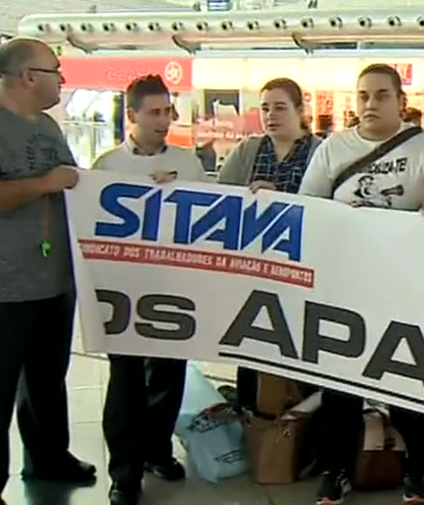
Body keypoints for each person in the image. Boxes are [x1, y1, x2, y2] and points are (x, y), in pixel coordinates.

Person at [299, 63, 424, 505]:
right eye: (364, 95)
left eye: (381, 96)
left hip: (405, 288)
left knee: (407, 381)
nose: (371, 104)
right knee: (340, 384)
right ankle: (337, 469)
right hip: (346, 285)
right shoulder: (334, 148)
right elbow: (309, 209)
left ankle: (416, 470)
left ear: (400, 102)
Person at [91, 74, 206, 505]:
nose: (163, 121)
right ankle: (125, 471)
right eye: (154, 112)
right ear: (132, 115)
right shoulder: (106, 167)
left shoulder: (189, 162)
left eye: (168, 112)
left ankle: (157, 449)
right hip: (123, 290)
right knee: (124, 380)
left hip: (172, 286)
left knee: (169, 373)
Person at [0, 37, 96, 504]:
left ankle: (49, 458)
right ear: (27, 76)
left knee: (46, 379)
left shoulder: (48, 128)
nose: (63, 77)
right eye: (56, 69)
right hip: (6, 285)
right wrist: (44, 183)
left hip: (54, 280)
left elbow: (74, 184)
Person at [217, 77, 322, 411]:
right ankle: (253, 421)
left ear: (300, 110)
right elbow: (218, 199)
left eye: (280, 107)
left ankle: (298, 428)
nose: (271, 115)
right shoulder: (248, 150)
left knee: (300, 350)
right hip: (255, 270)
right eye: (265, 108)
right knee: (251, 345)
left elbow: (328, 207)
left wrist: (284, 200)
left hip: (303, 272)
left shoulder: (321, 152)